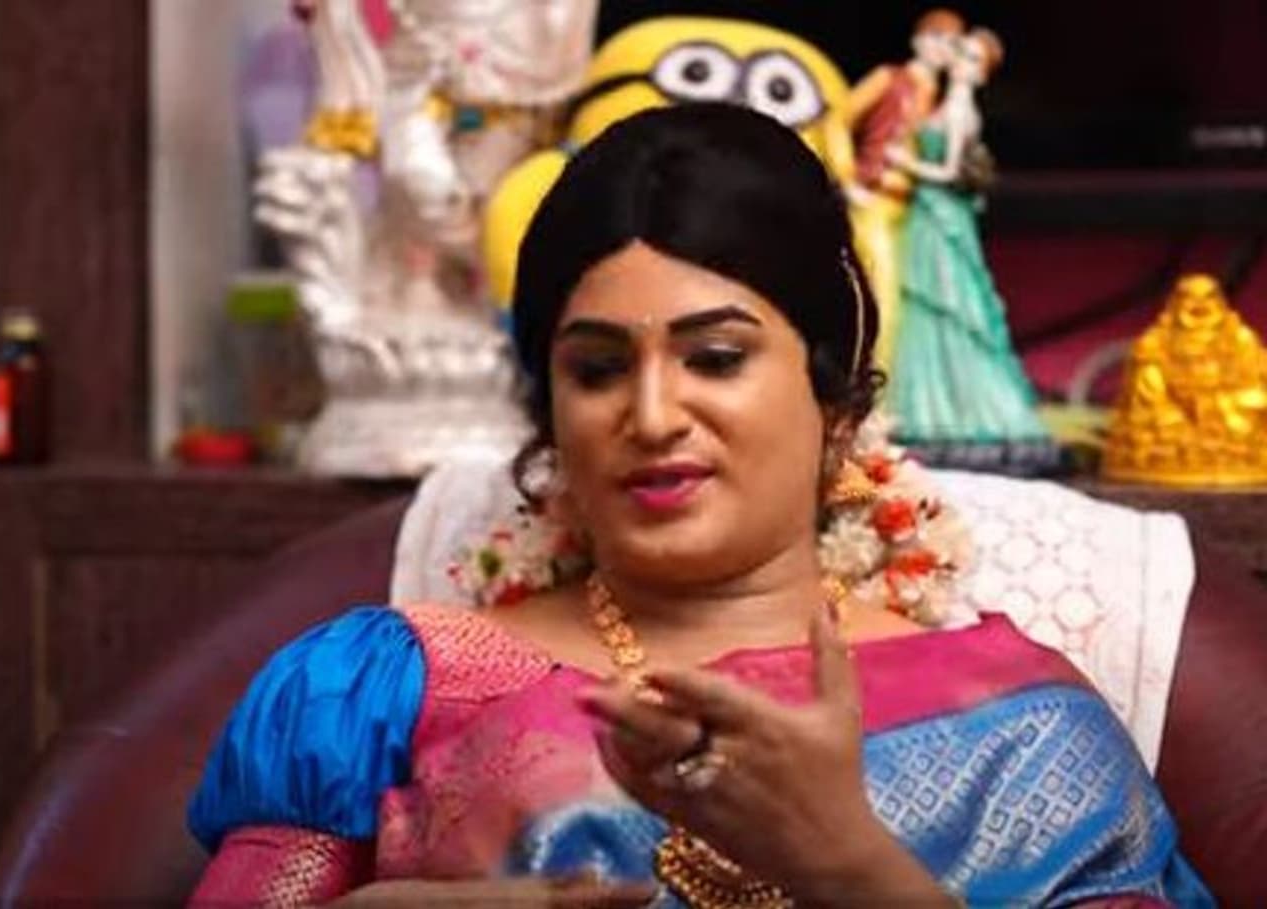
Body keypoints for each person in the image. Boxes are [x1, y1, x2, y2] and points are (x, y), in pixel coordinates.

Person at [187, 103, 1209, 906]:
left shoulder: (1025, 729)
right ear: (549, 419)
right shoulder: (384, 691)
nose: (650, 414)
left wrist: (854, 870)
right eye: (596, 369)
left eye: (715, 357)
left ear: (835, 404)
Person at [883, 29, 1057, 473]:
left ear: (981, 73)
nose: (962, 61)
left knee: (947, 304)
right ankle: (926, 406)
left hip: (941, 212)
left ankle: (957, 412)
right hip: (927, 214)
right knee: (924, 307)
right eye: (962, 52)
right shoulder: (944, 101)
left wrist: (905, 164)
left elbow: (948, 171)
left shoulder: (961, 110)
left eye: (973, 58)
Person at [844, 8, 963, 369]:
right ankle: (869, 384)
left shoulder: (940, 99)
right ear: (918, 40)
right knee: (882, 296)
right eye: (936, 37)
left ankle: (894, 386)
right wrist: (849, 179)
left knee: (911, 305)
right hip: (875, 199)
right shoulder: (889, 78)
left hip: (912, 211)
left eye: (952, 43)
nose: (942, 48)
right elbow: (838, 119)